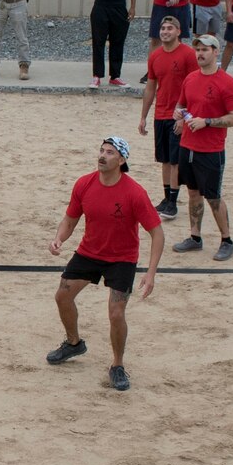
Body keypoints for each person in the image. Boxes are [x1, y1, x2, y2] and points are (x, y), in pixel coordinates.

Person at [46, 136, 165, 392]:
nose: (102, 156)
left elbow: (157, 233)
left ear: (121, 160)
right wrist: (59, 239)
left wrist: (151, 273)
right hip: (90, 252)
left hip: (122, 258)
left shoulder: (134, 192)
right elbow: (70, 219)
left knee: (116, 313)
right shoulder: (84, 184)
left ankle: (117, 365)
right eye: (101, 151)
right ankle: (74, 343)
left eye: (110, 153)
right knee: (62, 297)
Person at [173, 34, 233, 261]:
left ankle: (226, 239)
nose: (200, 53)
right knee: (193, 193)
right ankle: (195, 237)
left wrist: (208, 122)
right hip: (188, 146)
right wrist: (179, 116)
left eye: (205, 49)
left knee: (213, 197)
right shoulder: (191, 78)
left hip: (211, 150)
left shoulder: (227, 82)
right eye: (198, 49)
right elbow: (182, 104)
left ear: (216, 52)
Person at [139, 14, 200, 220]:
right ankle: (167, 198)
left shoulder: (188, 54)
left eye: (169, 28)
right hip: (160, 114)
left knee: (175, 161)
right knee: (164, 159)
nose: (165, 31)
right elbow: (150, 88)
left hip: (177, 114)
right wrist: (143, 116)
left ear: (178, 31)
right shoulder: (155, 56)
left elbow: (194, 85)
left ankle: (173, 202)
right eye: (163, 28)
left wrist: (184, 116)